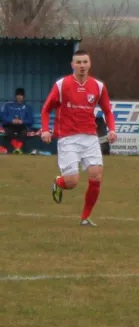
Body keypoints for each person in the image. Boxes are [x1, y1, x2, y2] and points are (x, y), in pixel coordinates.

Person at [40, 49, 117, 227]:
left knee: (96, 176)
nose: (82, 66)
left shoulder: (98, 86)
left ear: (90, 64)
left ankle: (85, 218)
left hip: (90, 138)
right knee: (71, 182)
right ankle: (58, 182)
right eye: (78, 62)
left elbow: (107, 110)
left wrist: (112, 129)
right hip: (68, 138)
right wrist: (45, 129)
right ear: (72, 65)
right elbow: (46, 109)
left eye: (85, 62)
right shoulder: (62, 85)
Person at [1, 88, 34, 154]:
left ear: (24, 96)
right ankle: (17, 148)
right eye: (18, 95)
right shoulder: (7, 105)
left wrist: (22, 121)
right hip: (9, 125)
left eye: (21, 95)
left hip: (22, 126)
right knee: (8, 131)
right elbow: (2, 117)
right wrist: (11, 120)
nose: (19, 96)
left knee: (24, 132)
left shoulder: (28, 107)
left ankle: (16, 148)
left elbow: (31, 120)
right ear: (15, 96)